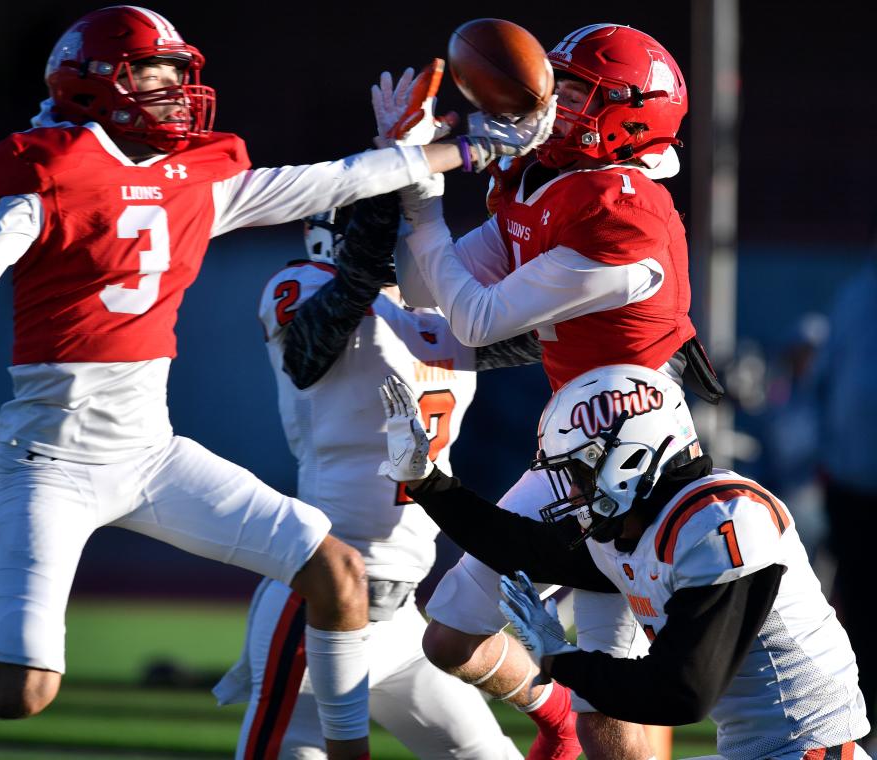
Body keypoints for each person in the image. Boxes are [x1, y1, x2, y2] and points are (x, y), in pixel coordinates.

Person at [0, 7, 555, 758]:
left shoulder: (200, 182)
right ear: (94, 87)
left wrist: (472, 145)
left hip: (151, 453)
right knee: (20, 692)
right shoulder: (55, 174)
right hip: (49, 461)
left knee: (333, 567)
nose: (176, 93)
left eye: (178, 76)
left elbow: (344, 177)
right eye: (152, 76)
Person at [375, 23, 722, 760]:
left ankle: (579, 714)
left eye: (576, 93)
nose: (555, 104)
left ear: (631, 114)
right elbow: (424, 286)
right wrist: (403, 164)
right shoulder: (548, 182)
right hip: (571, 446)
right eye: (556, 84)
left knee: (612, 689)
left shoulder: (624, 209)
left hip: (632, 463)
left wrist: (427, 201)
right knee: (450, 636)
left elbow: (473, 317)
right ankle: (556, 713)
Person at [379, 366, 871, 760]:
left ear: (627, 458)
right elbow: (524, 548)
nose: (571, 490)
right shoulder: (642, 523)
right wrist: (427, 482)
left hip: (808, 750)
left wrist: (558, 657)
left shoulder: (725, 521)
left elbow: (682, 692)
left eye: (577, 471)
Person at [214, 192, 540, 758]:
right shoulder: (305, 289)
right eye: (406, 228)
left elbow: (556, 333)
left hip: (405, 617)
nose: (425, 247)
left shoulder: (441, 320)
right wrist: (396, 183)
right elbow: (317, 342)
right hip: (321, 602)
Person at [813, 232, 877, 751]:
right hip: (854, 486)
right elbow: (825, 382)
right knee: (856, 617)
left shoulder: (855, 292)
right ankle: (857, 735)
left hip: (853, 479)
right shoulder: (857, 292)